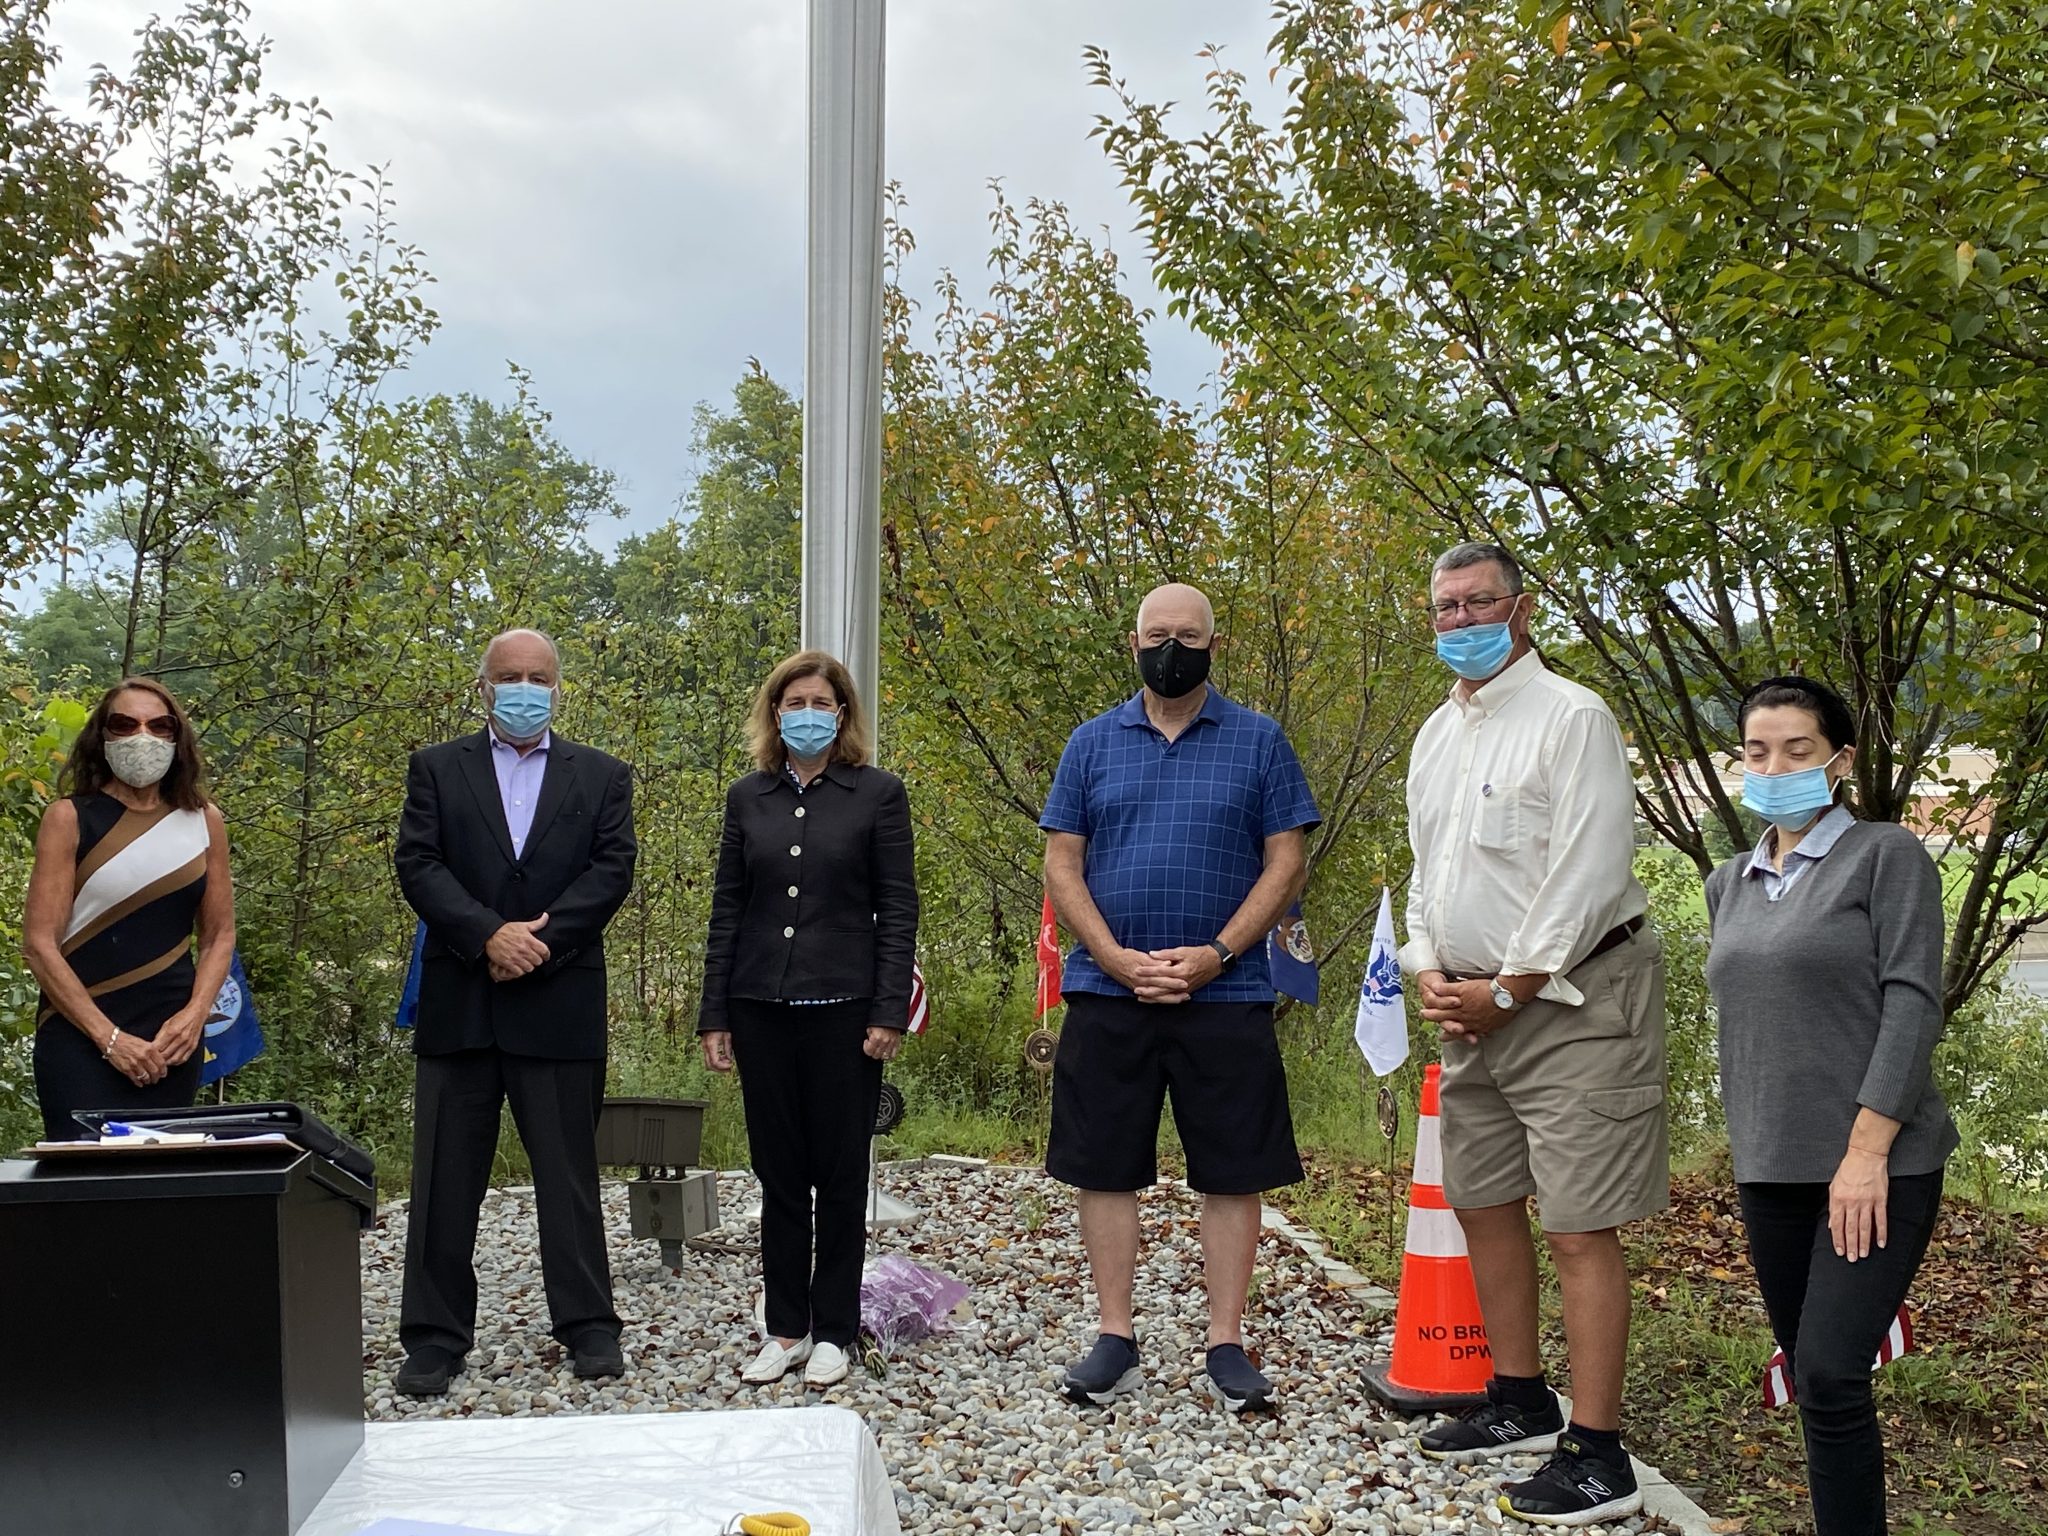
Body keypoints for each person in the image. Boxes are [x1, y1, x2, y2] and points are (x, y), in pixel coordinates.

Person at [1401, 542, 1668, 1526]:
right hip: (1468, 1006)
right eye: (1442, 608)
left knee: (1576, 1222)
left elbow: (1588, 872)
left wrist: (1508, 990)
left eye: (1477, 603)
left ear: (1520, 610)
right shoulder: (1436, 734)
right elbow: (1426, 871)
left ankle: (1597, 1454)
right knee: (1480, 1200)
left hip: (1573, 1003)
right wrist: (1426, 964)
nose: (1459, 622)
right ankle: (1514, 1399)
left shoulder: (1571, 717)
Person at [1039, 582, 1320, 1415]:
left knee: (1233, 1172)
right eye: (1157, 634)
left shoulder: (1261, 741)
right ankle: (1115, 1336)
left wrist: (1220, 952)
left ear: (1213, 644)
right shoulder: (1090, 744)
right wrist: (1115, 957)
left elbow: (1286, 861)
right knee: (1104, 1167)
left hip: (1227, 992)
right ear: (1133, 645)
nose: (1172, 647)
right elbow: (1062, 862)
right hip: (1107, 991)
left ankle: (1225, 1342)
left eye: (1187, 635)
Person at [1706, 676, 1955, 1536]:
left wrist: (1865, 1153)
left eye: (1799, 750)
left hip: (1878, 1161)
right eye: (1757, 751)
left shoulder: (1887, 856)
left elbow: (1914, 1002)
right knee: (1815, 1375)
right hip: (1770, 1165)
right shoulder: (1726, 882)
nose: (1776, 767)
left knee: (1831, 1372)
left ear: (1841, 760)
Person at [392, 628, 637, 1396]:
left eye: (538, 676)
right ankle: (434, 1339)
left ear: (559, 688)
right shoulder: (436, 768)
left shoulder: (601, 776)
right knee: (443, 1178)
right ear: (483, 686)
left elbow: (612, 868)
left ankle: (589, 1327)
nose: (523, 688)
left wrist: (540, 944)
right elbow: (419, 862)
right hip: (463, 999)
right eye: (509, 676)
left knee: (568, 1176)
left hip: (558, 1000)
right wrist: (485, 935)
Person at [697, 650, 918, 1390]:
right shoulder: (746, 797)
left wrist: (889, 1008)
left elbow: (898, 911)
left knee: (840, 1173)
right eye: (794, 702)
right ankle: (785, 1327)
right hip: (761, 1009)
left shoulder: (878, 795)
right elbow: (728, 908)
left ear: (844, 713)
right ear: (774, 711)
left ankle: (835, 1329)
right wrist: (715, 1012)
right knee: (779, 1174)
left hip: (846, 1014)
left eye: (821, 702)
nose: (807, 714)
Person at [23, 678, 236, 1141]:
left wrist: (195, 1015)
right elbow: (40, 945)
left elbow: (219, 934)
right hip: (80, 1037)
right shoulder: (69, 818)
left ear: (177, 740)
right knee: (84, 1193)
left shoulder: (204, 821)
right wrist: (109, 1039)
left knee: (158, 1193)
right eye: (126, 724)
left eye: (159, 726)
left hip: (171, 1044)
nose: (144, 736)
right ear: (103, 737)